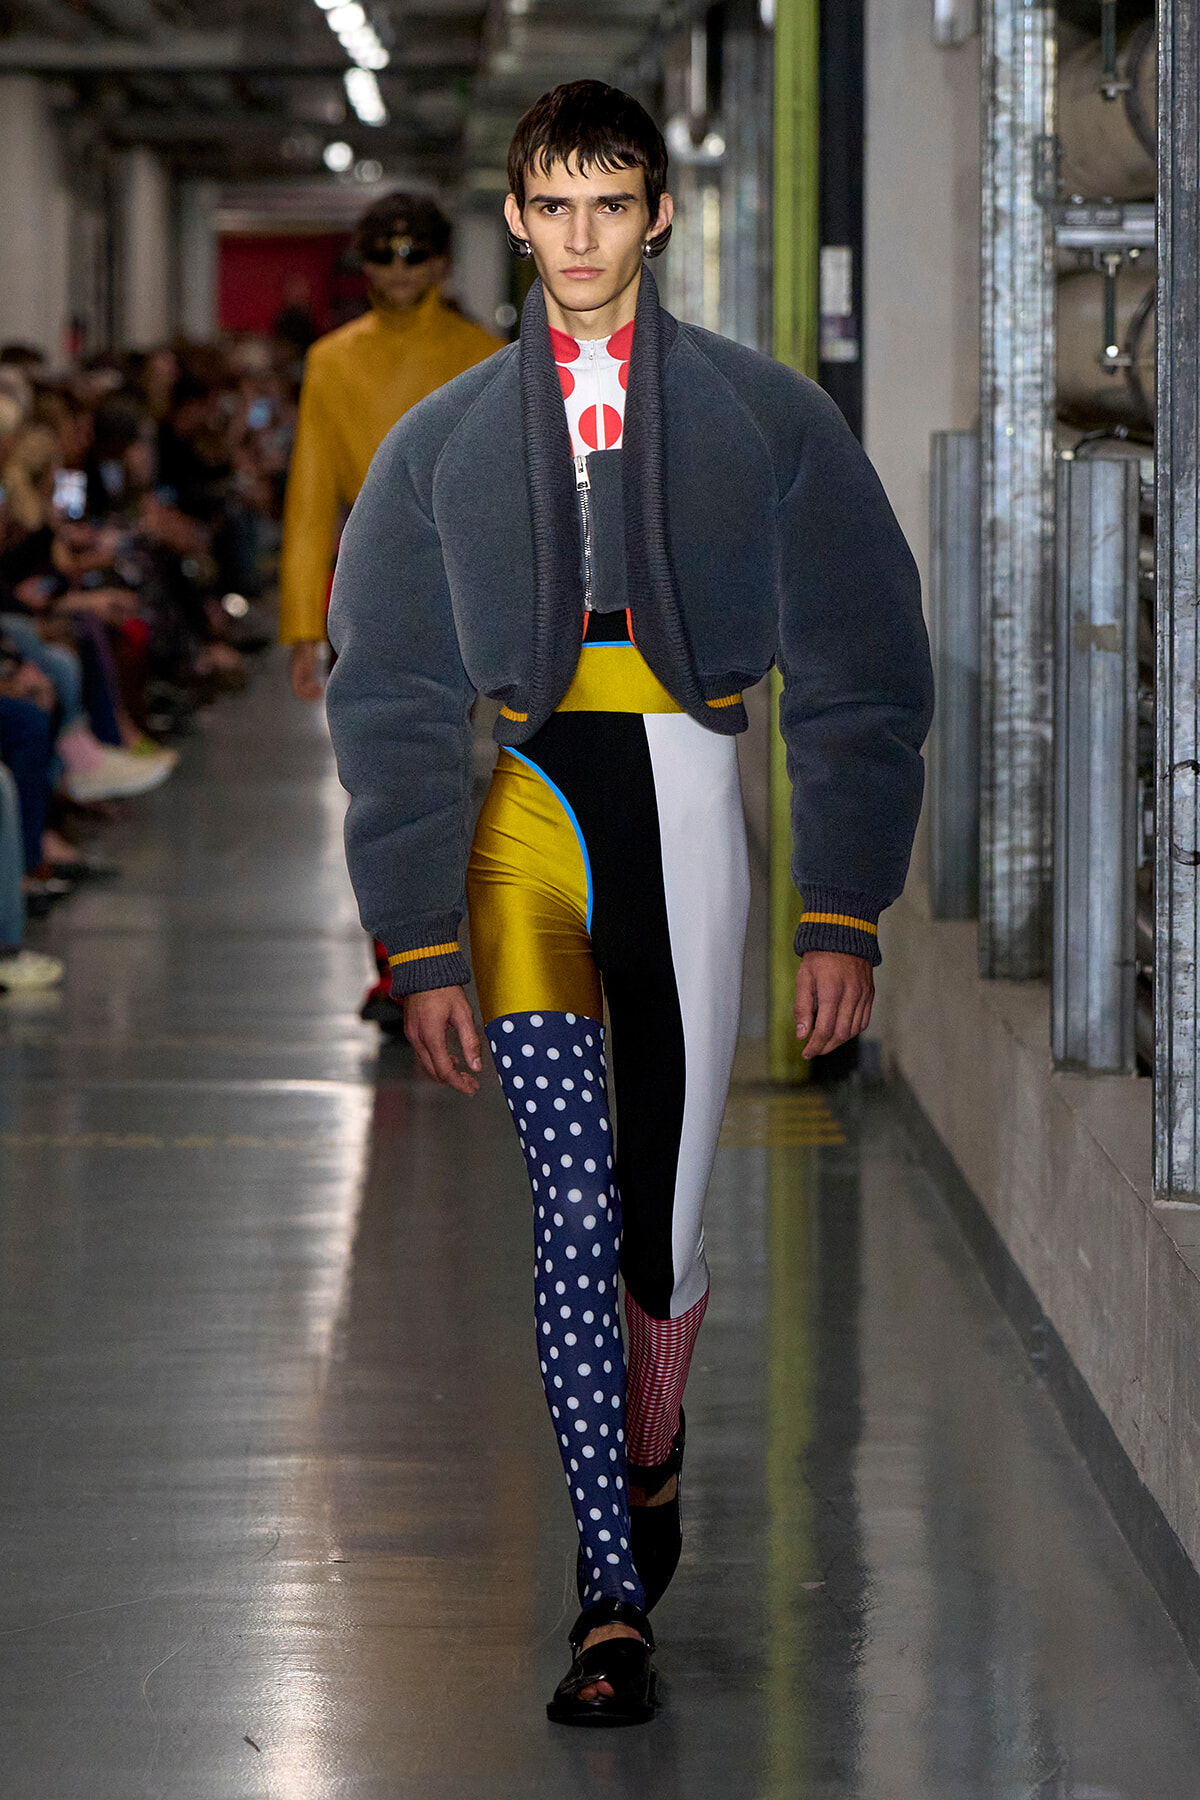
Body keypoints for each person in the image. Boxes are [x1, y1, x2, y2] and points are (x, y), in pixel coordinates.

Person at [325, 80, 933, 1726]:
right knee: (570, 1211)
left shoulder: (761, 417)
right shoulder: (437, 446)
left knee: (656, 1234)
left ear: (655, 214)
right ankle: (610, 1598)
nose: (583, 238)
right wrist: (418, 932)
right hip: (524, 822)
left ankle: (648, 1461)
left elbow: (868, 666)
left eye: (614, 204)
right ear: (515, 221)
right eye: (555, 207)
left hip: (682, 806)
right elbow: (384, 692)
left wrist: (843, 910)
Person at [279, 192, 501, 1031]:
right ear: (363, 264)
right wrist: (303, 621)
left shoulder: (486, 355)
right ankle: (407, 964)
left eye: (415, 256)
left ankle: (461, 951)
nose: (401, 271)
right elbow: (308, 498)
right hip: (374, 594)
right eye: (385, 255)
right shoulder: (331, 361)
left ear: (443, 263)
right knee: (391, 776)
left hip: (478, 588)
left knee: (472, 783)